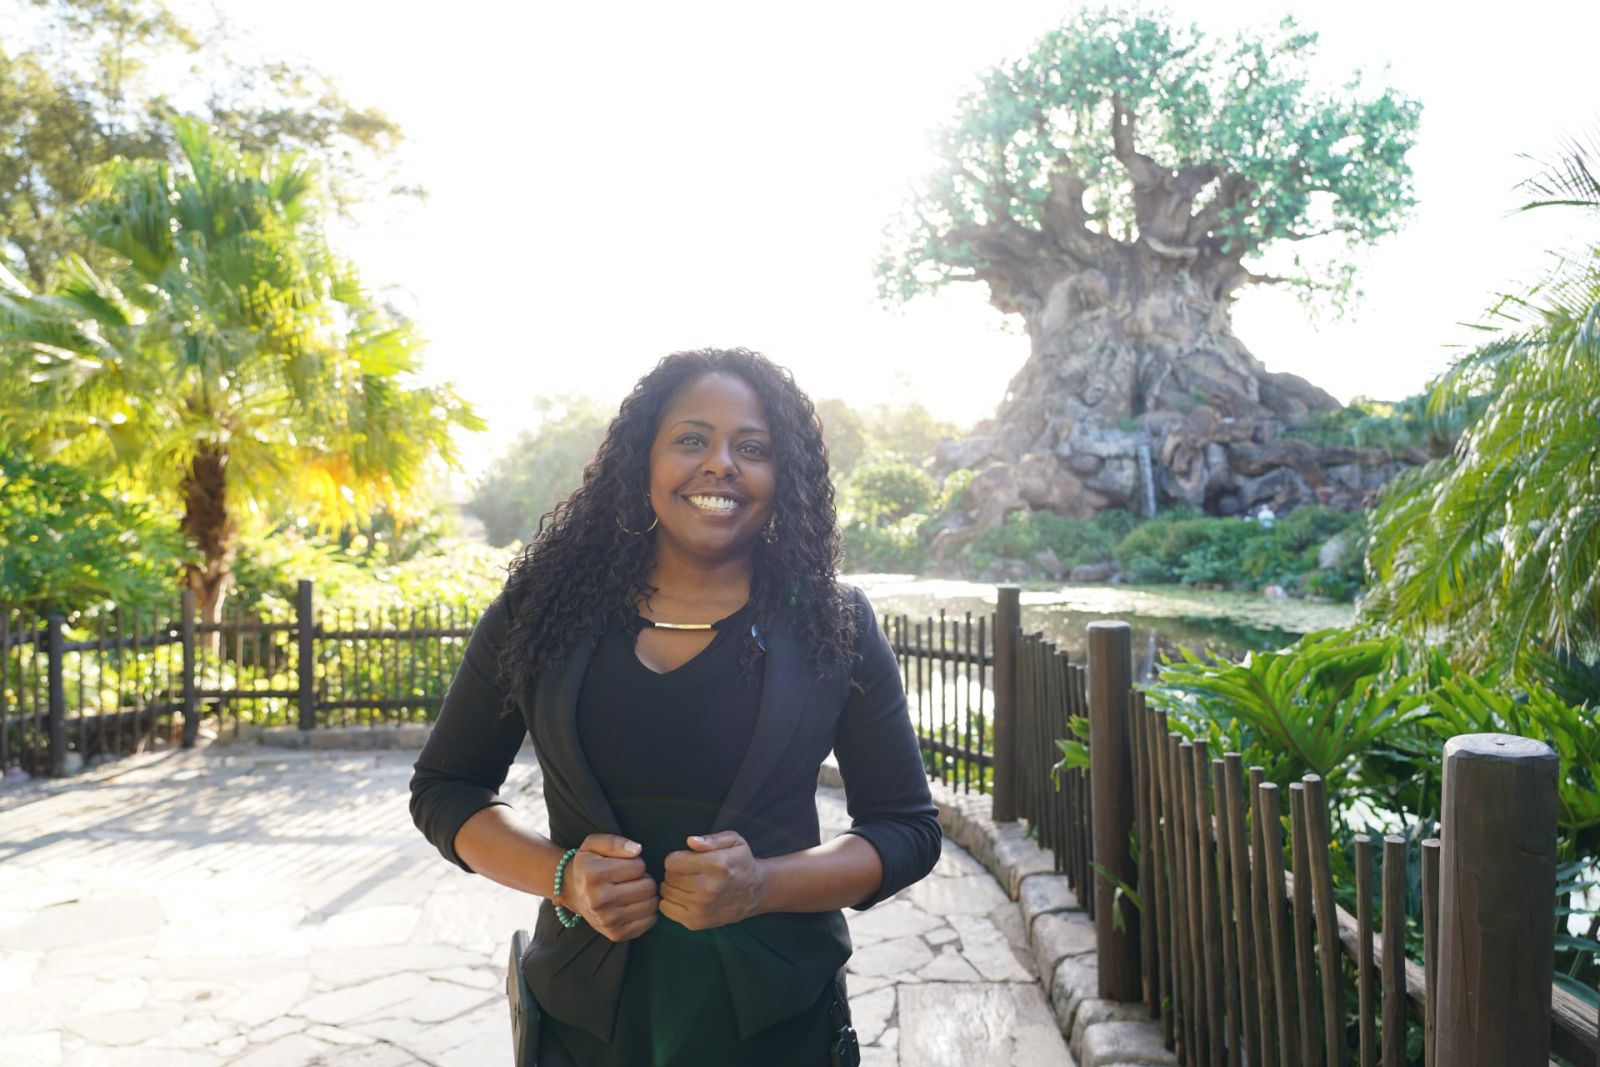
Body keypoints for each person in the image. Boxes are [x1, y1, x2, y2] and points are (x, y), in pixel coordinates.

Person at [409, 347, 941, 1066]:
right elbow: (446, 788)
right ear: (643, 461)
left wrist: (763, 885)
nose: (720, 463)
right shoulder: (540, 613)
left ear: (782, 478)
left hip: (775, 1026)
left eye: (752, 447)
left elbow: (906, 829)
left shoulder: (833, 625)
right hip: (584, 1023)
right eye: (692, 439)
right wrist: (561, 875)